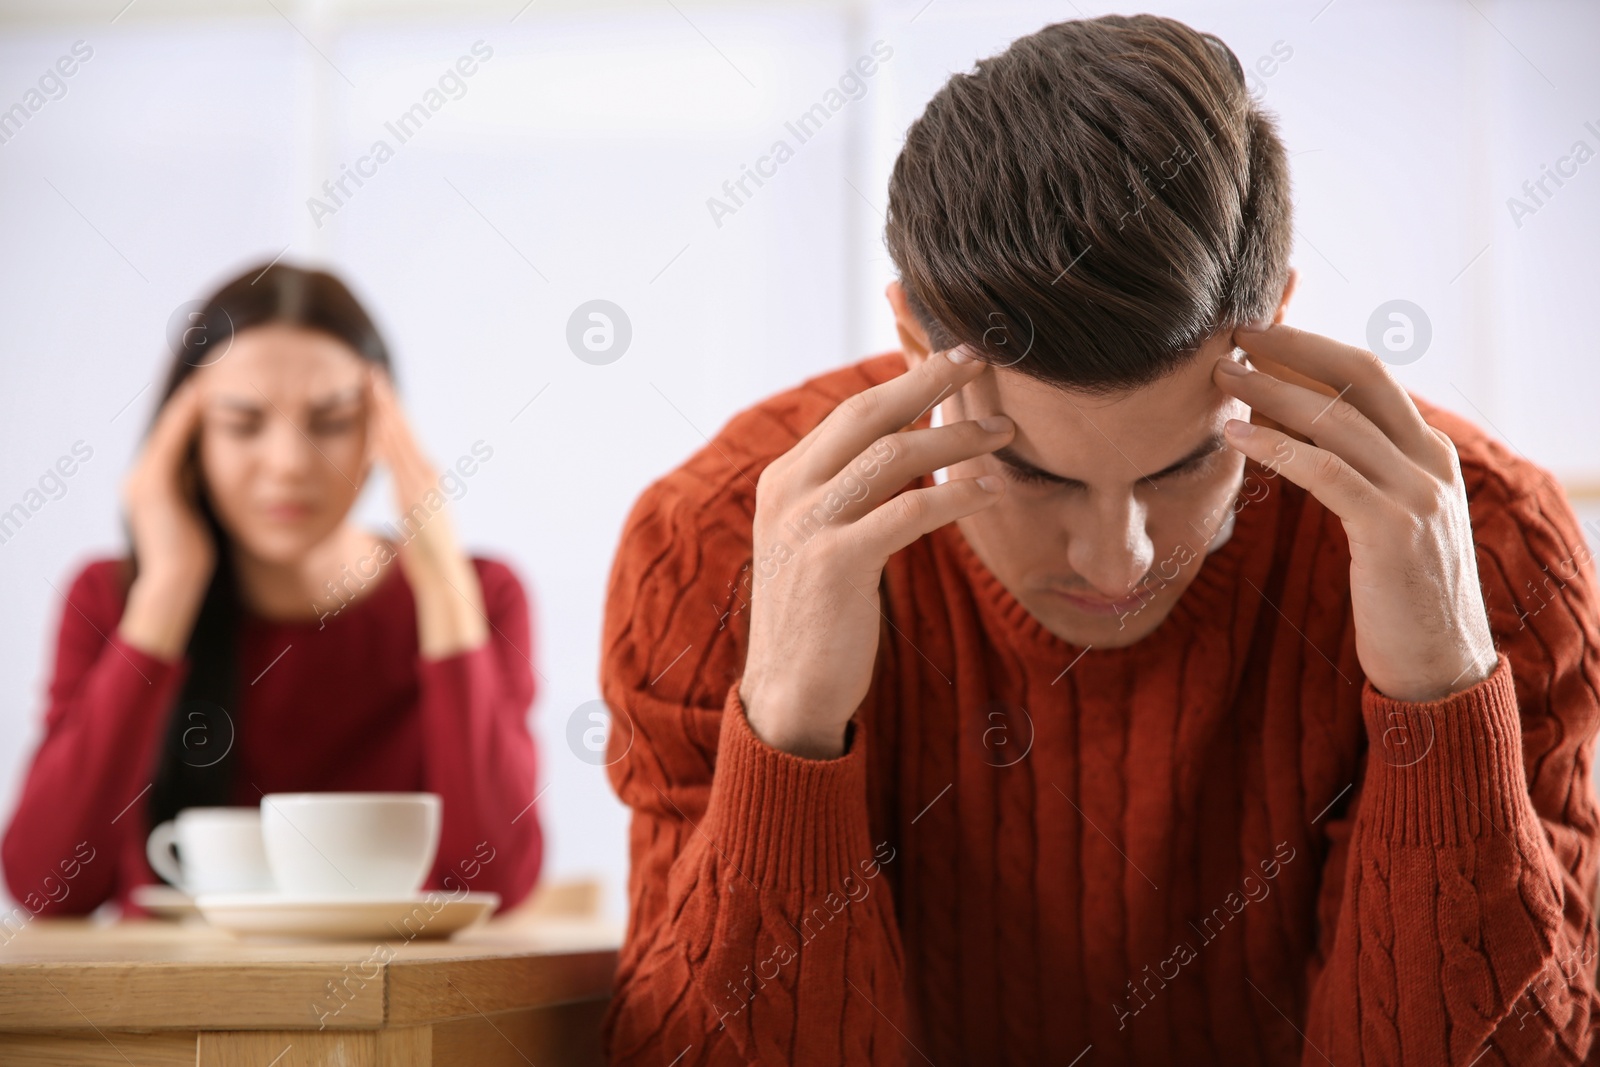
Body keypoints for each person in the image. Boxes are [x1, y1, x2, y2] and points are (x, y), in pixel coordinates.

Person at [598, 14, 1600, 1066]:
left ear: (1275, 326)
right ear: (910, 345)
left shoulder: (1479, 544)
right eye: (1031, 474)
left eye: (1184, 468)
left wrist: (1440, 700)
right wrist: (790, 732)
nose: (1117, 562)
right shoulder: (715, 544)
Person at [2, 263, 543, 916]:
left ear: (383, 432)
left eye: (331, 421)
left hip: (392, 1004)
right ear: (187, 439)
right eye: (242, 422)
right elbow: (46, 886)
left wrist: (441, 583)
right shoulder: (112, 598)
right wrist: (167, 592)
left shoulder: (478, 596)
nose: (287, 462)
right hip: (173, 1007)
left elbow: (497, 883)